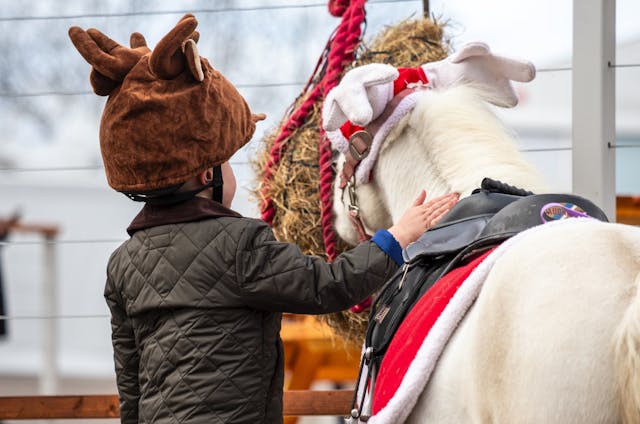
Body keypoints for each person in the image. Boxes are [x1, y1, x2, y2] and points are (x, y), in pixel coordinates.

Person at [69, 14, 458, 424]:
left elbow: (130, 381)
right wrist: (396, 236)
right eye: (227, 162)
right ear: (208, 174)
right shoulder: (238, 244)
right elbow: (327, 286)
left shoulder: (123, 265)